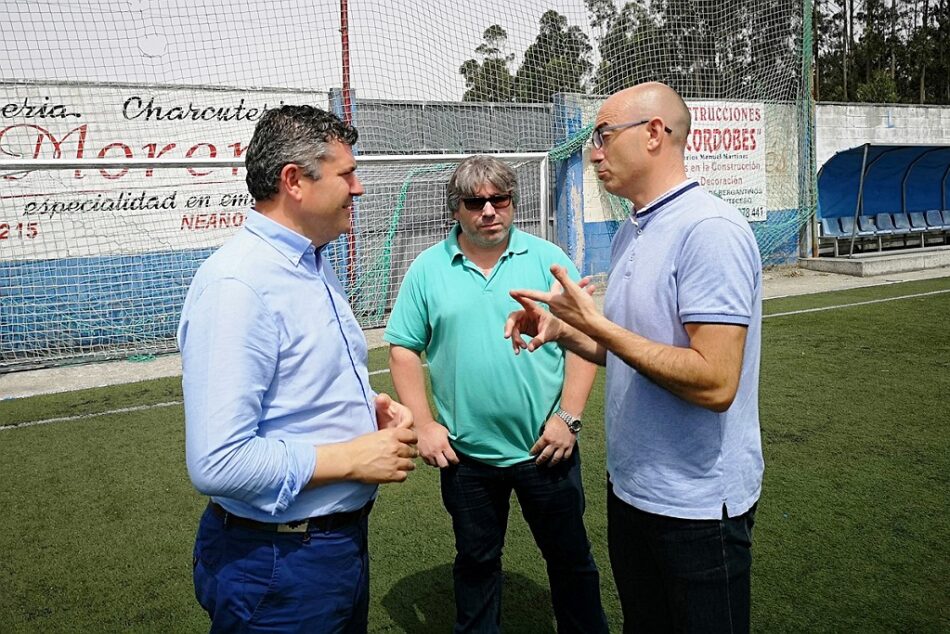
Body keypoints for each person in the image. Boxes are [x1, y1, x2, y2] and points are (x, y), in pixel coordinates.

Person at [505, 82, 764, 633]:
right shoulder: (634, 228)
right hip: (633, 491)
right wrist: (563, 331)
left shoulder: (708, 230)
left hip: (696, 507)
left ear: (653, 134)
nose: (594, 152)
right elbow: (627, 348)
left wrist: (595, 322)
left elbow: (715, 382)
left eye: (602, 135)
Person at [178, 104, 418, 633]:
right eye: (346, 174)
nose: (358, 189)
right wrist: (353, 456)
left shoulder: (312, 257)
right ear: (295, 182)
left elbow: (302, 381)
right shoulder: (238, 285)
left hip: (329, 549)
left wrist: (366, 411)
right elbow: (217, 463)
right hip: (278, 563)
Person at [385, 155, 609, 634]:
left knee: (570, 560)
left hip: (546, 449)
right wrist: (424, 425)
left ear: (512, 203)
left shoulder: (548, 260)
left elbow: (585, 344)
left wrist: (568, 417)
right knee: (477, 562)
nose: (488, 211)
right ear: (456, 210)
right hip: (467, 457)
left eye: (499, 199)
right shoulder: (428, 269)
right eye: (475, 202)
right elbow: (404, 349)